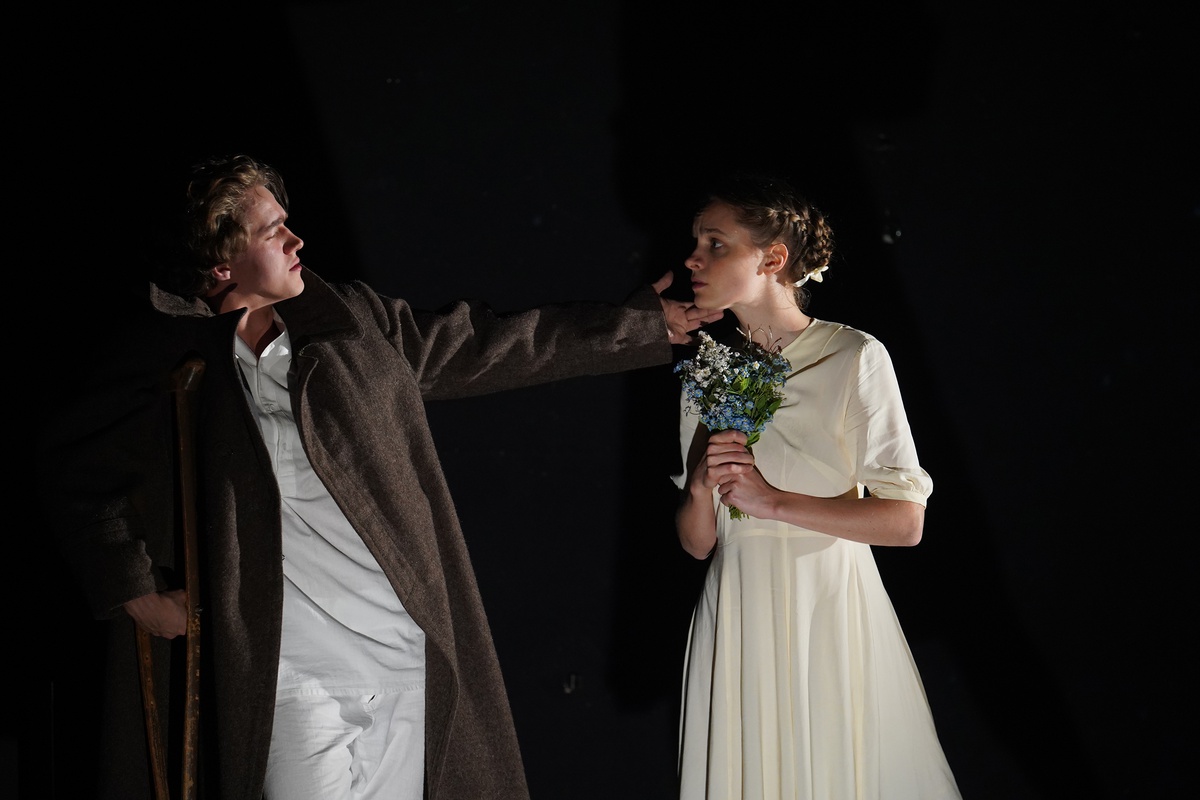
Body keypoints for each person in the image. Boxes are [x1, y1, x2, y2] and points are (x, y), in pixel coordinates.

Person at [37, 154, 721, 800]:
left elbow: (486, 346)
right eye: (273, 232)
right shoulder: (171, 360)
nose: (297, 241)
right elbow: (82, 470)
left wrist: (634, 327)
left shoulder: (351, 324)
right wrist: (133, 589)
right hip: (288, 668)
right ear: (221, 265)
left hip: (400, 649)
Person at [671, 173, 961, 799]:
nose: (693, 259)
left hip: (826, 608)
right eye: (695, 243)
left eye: (715, 244)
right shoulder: (706, 375)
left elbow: (905, 522)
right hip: (738, 613)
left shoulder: (851, 355)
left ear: (772, 259)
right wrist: (698, 491)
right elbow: (698, 544)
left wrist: (772, 501)